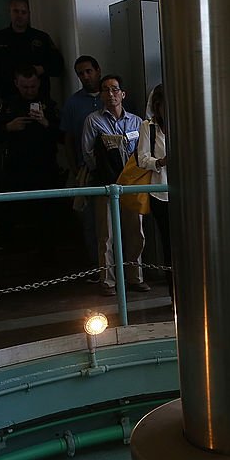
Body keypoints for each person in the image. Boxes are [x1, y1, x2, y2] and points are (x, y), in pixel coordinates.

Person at [81, 74, 147, 296]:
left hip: (132, 184)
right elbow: (88, 153)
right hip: (105, 183)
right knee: (106, 234)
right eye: (106, 90)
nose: (111, 94)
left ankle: (135, 277)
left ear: (123, 94)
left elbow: (142, 153)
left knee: (135, 232)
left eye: (115, 89)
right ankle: (108, 281)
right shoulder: (93, 120)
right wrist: (102, 172)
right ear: (100, 95)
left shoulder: (137, 121)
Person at [0, 66, 62, 265]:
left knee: (47, 213)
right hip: (16, 166)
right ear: (16, 83)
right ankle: (9, 245)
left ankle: (48, 254)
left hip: (45, 166)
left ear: (38, 84)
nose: (29, 91)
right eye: (25, 86)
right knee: (7, 206)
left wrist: (45, 122)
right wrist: (8, 127)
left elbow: (64, 136)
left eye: (32, 86)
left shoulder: (49, 103)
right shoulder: (8, 105)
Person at [60, 55, 103, 270]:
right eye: (80, 73)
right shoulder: (73, 103)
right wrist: (75, 168)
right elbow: (68, 139)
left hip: (114, 170)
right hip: (85, 170)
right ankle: (96, 265)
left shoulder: (110, 97)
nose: (85, 76)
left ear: (97, 70)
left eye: (88, 71)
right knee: (89, 220)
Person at [0, 0, 64, 107]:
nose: (20, 15)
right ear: (10, 12)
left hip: (39, 98)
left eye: (23, 12)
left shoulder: (41, 38)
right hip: (8, 97)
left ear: (29, 14)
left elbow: (58, 65)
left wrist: (42, 69)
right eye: (16, 11)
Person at [136, 84, 172, 296]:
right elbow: (142, 159)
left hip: (188, 196)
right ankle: (174, 296)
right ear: (158, 106)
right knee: (169, 245)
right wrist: (160, 162)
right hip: (161, 193)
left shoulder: (187, 123)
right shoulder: (148, 127)